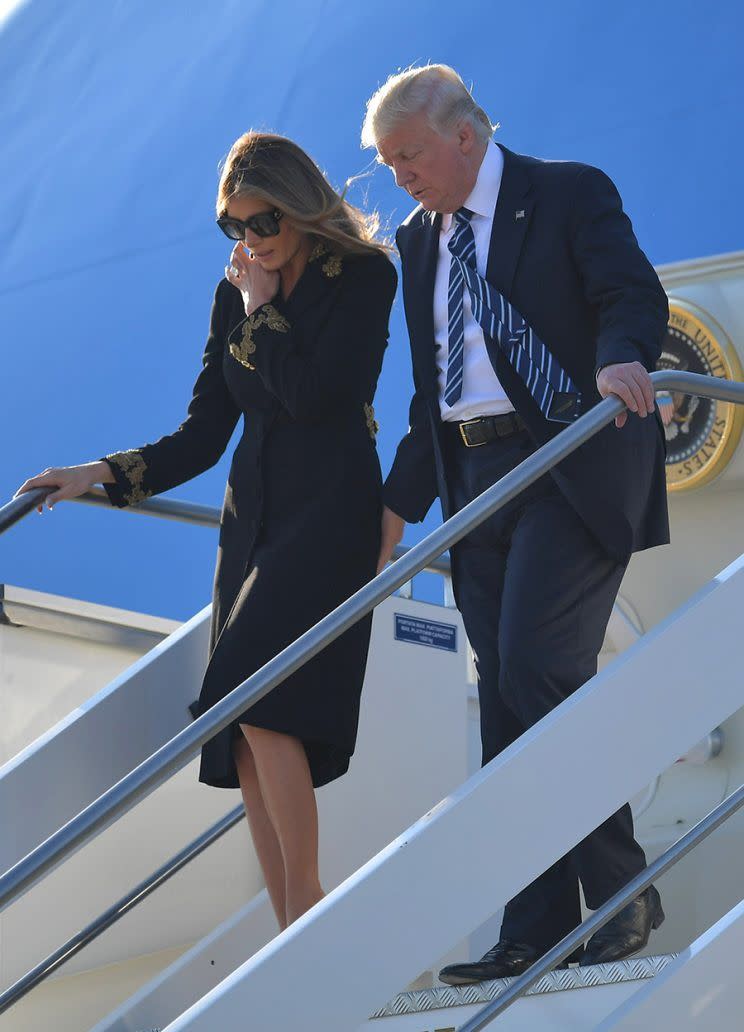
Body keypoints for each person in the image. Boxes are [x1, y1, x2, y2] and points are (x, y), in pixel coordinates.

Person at [16, 131, 397, 931]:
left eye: (262, 223)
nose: (249, 241)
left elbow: (321, 399)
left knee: (255, 697)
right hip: (251, 521)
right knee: (244, 724)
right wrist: (99, 472)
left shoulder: (362, 276)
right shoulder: (235, 291)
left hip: (329, 512)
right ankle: (291, 919)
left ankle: (311, 910)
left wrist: (261, 317)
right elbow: (202, 433)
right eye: (234, 228)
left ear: (297, 208)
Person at [362, 65, 669, 980]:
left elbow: (631, 296)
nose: (400, 177)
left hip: (569, 459)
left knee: (538, 665)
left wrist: (621, 363)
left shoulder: (566, 192)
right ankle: (532, 928)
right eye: (387, 163)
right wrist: (392, 509)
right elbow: (431, 394)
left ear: (464, 135)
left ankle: (621, 891)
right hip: (474, 480)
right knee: (505, 702)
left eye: (408, 155)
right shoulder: (420, 243)